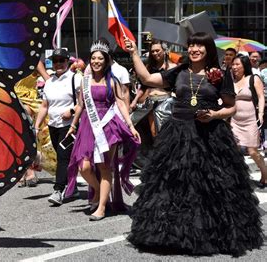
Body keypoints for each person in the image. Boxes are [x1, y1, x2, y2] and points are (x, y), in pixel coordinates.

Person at [125, 32, 263, 256]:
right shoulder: (179, 72)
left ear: (208, 49)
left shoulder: (218, 75)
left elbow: (231, 107)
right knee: (173, 186)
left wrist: (214, 115)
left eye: (199, 45)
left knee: (209, 187)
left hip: (209, 136)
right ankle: (171, 236)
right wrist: (133, 54)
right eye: (191, 45)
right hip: (177, 134)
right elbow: (148, 80)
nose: (194, 49)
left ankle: (210, 235)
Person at [64, 40, 140, 221]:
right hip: (88, 126)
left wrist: (130, 125)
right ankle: (98, 190)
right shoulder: (84, 80)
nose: (96, 61)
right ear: (90, 60)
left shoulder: (112, 81)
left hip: (107, 126)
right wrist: (73, 125)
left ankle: (102, 207)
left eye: (100, 58)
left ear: (106, 61)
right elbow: (81, 104)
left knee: (105, 167)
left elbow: (121, 102)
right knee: (84, 166)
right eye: (93, 58)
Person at [34, 48, 82, 206]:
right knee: (63, 157)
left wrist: (72, 111)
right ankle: (72, 186)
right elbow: (44, 106)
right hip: (53, 125)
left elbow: (84, 102)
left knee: (62, 157)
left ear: (68, 61)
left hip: (70, 126)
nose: (58, 64)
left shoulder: (76, 79)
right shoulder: (49, 82)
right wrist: (36, 126)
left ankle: (58, 190)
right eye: (55, 61)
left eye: (62, 60)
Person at [230, 54, 267, 188]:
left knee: (253, 151)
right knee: (236, 150)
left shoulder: (253, 78)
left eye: (237, 64)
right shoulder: (231, 81)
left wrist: (261, 113)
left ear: (244, 65)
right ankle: (240, 177)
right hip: (234, 121)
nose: (234, 67)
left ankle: (265, 174)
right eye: (233, 64)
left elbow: (261, 97)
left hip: (251, 120)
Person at [130, 40, 176, 136]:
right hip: (149, 102)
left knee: (164, 132)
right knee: (153, 132)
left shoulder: (173, 67)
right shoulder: (149, 68)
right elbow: (143, 87)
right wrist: (135, 100)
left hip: (166, 103)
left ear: (164, 50)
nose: (155, 53)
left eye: (157, 50)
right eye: (153, 51)